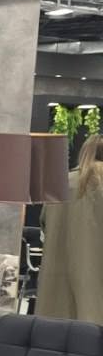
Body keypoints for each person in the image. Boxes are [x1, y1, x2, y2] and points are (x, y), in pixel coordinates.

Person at [38, 133, 103, 323]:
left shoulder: (61, 183)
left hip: (58, 279)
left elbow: (44, 222)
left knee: (58, 324)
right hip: (96, 279)